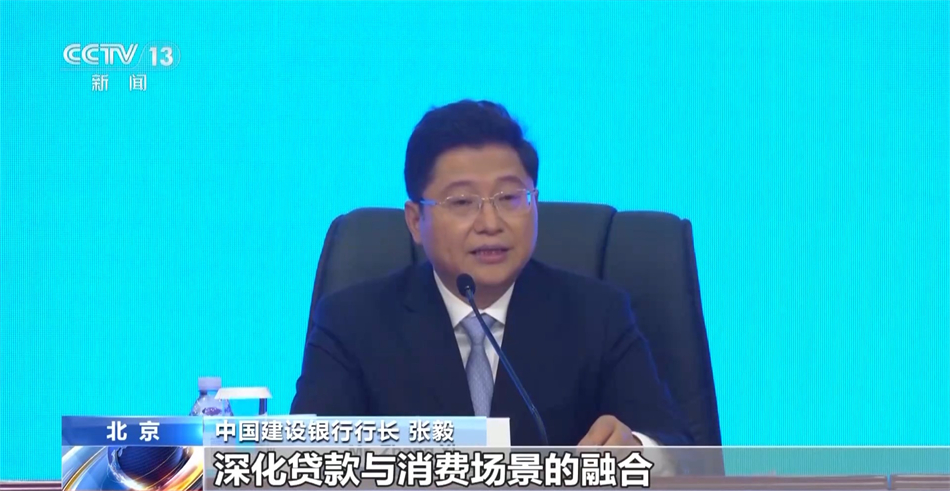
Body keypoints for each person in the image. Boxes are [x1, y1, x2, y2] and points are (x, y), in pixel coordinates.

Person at [291, 99, 691, 448]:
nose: (490, 223)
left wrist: (636, 448)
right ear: (415, 221)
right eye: (462, 201)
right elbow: (306, 459)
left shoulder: (598, 315)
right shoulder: (352, 323)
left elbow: (676, 446)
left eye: (510, 197)